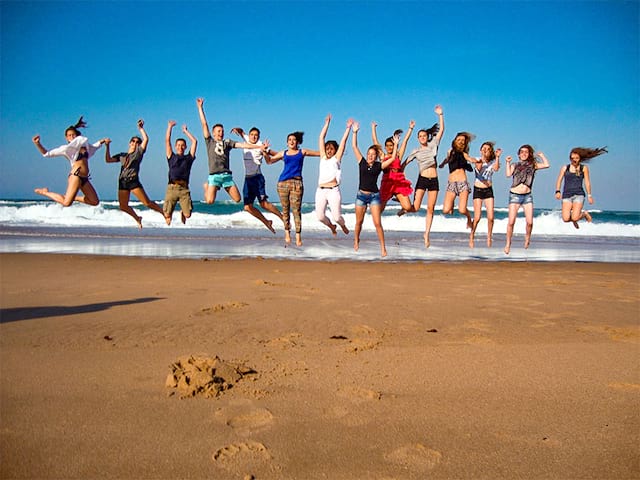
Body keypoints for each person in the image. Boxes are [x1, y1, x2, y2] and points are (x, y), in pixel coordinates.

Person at [196, 98, 265, 205]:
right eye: (218, 131)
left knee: (237, 199)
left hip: (226, 176)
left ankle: (219, 186)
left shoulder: (227, 142)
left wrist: (257, 147)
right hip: (214, 176)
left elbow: (242, 145)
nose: (221, 133)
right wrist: (200, 108)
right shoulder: (209, 142)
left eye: (222, 131)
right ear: (213, 133)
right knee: (209, 201)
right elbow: (204, 124)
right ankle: (207, 186)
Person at [104, 119, 169, 228]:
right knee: (123, 206)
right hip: (122, 182)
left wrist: (140, 128)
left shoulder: (138, 153)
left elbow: (146, 139)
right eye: (133, 141)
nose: (135, 143)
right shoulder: (122, 155)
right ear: (129, 143)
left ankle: (163, 213)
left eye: (137, 142)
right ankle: (137, 218)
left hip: (133, 181)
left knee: (147, 203)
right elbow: (108, 160)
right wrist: (107, 146)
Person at [398, 105, 445, 248]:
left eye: (424, 135)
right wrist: (399, 174)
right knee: (416, 207)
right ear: (418, 139)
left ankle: (426, 234)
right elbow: (404, 163)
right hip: (422, 179)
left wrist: (440, 115)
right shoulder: (416, 151)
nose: (422, 138)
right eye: (420, 136)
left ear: (427, 137)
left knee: (430, 208)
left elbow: (442, 130)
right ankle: (406, 208)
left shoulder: (433, 145)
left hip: (434, 180)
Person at [32, 116, 106, 207]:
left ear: (77, 135)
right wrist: (38, 144)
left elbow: (95, 146)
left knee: (94, 201)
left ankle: (73, 197)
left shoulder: (87, 147)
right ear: (66, 138)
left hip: (85, 178)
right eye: (69, 135)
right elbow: (47, 153)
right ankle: (45, 192)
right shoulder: (66, 149)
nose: (72, 137)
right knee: (66, 203)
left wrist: (103, 141)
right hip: (76, 175)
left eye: (73, 134)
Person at [265, 131, 320, 246]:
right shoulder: (283, 153)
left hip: (297, 183)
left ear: (298, 142)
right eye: (289, 140)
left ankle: (298, 236)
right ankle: (287, 233)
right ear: (286, 142)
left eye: (294, 140)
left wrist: (332, 153)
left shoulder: (302, 152)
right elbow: (269, 161)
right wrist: (265, 152)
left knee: (296, 211)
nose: (291, 141)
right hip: (282, 183)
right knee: (285, 210)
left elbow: (319, 153)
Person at [351, 121, 396, 257]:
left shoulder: (378, 165)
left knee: (377, 223)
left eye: (373, 154)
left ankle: (383, 248)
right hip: (361, 196)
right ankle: (356, 240)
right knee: (359, 222)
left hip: (374, 196)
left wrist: (396, 144)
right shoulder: (362, 162)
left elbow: (393, 158)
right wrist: (355, 132)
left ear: (376, 156)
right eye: (368, 153)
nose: (370, 156)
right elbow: (354, 146)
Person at [230, 126, 283, 233]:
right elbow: (241, 132)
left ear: (258, 137)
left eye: (256, 135)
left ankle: (283, 218)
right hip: (247, 180)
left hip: (257, 178)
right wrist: (237, 129)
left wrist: (283, 157)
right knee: (247, 207)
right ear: (249, 136)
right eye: (252, 135)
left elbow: (272, 153)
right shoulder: (246, 140)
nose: (254, 137)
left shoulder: (261, 145)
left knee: (264, 204)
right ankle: (267, 222)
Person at [503, 145, 550, 254]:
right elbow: (508, 174)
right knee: (511, 222)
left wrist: (542, 155)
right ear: (519, 154)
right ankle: (508, 243)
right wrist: (507, 162)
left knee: (529, 222)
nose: (524, 154)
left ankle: (527, 238)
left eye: (526, 152)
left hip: (527, 196)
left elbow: (547, 165)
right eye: (522, 152)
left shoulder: (533, 165)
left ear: (529, 154)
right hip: (514, 195)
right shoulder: (515, 165)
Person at [315, 114, 352, 236]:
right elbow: (321, 138)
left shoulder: (336, 159)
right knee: (320, 217)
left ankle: (342, 224)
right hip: (320, 190)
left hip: (333, 190)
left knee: (337, 217)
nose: (329, 150)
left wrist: (348, 128)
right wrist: (327, 123)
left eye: (331, 149)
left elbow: (343, 142)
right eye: (327, 148)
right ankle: (331, 226)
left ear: (335, 150)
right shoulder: (323, 158)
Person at [554, 146, 607, 229]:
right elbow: (559, 180)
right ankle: (575, 219)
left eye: (576, 158)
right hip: (566, 195)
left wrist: (589, 195)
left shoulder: (584, 168)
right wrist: (557, 191)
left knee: (575, 217)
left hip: (579, 195)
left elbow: (587, 182)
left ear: (580, 158)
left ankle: (584, 214)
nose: (574, 160)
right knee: (565, 219)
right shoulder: (565, 168)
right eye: (572, 158)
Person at [372, 121, 415, 213]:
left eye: (391, 145)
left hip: (399, 182)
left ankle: (401, 206)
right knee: (379, 210)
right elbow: (375, 142)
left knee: (408, 207)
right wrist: (373, 128)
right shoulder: (383, 156)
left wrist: (410, 129)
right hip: (387, 183)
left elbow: (405, 142)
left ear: (395, 145)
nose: (389, 148)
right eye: (387, 146)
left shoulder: (398, 155)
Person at [439, 132, 475, 229]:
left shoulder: (464, 154)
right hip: (451, 184)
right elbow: (447, 159)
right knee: (446, 210)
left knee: (462, 210)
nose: (460, 142)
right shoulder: (450, 151)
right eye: (459, 140)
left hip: (462, 183)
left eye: (463, 140)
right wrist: (442, 164)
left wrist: (477, 160)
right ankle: (452, 202)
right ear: (455, 141)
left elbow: (470, 159)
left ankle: (469, 218)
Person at [469, 142, 502, 248]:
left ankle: (489, 236)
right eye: (483, 148)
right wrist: (482, 158)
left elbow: (496, 169)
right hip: (478, 190)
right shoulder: (477, 159)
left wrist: (497, 157)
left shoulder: (492, 162)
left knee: (491, 217)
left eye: (488, 149)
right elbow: (478, 169)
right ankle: (472, 235)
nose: (485, 150)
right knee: (477, 217)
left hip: (488, 191)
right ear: (480, 150)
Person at [164, 120, 198, 225]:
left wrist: (185, 131)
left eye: (183, 145)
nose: (180, 147)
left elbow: (195, 142)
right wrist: (170, 127)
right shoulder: (171, 156)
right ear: (175, 146)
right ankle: (169, 214)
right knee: (166, 215)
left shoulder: (189, 158)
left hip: (184, 189)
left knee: (188, 215)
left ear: (185, 147)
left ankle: (183, 212)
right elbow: (167, 141)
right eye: (178, 145)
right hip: (172, 188)